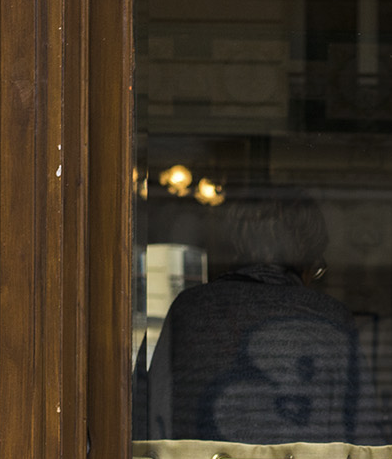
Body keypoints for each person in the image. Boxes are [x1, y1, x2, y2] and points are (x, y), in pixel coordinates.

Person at [147, 190, 370, 444]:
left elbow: (151, 418)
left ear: (233, 248)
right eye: (316, 268)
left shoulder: (189, 310)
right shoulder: (330, 318)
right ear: (307, 259)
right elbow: (363, 438)